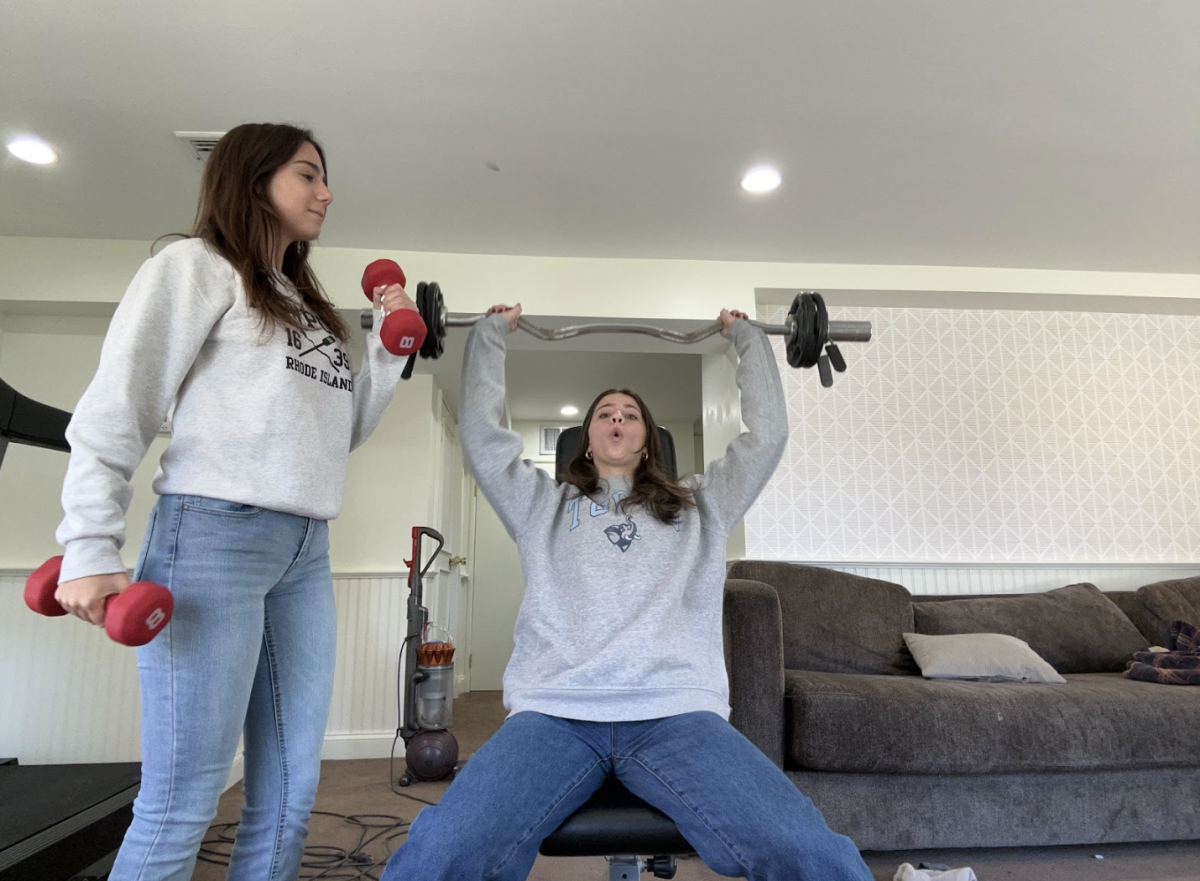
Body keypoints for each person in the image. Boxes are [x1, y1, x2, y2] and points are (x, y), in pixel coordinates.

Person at [382, 305, 873, 880]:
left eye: (631, 414)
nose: (617, 419)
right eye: (605, 414)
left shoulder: (699, 505)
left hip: (676, 713)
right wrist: (489, 336)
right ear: (587, 440)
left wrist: (747, 340)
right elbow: (487, 442)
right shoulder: (542, 505)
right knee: (441, 854)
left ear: (647, 438)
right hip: (556, 713)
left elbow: (767, 438)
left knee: (807, 850)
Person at [53, 123, 414, 881]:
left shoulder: (307, 307)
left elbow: (333, 437)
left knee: (289, 793)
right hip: (212, 535)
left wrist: (383, 352)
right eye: (309, 174)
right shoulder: (195, 267)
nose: (328, 192)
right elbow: (119, 404)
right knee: (184, 800)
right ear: (254, 181)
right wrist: (88, 546)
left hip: (305, 548)